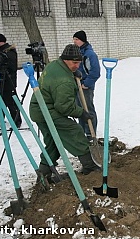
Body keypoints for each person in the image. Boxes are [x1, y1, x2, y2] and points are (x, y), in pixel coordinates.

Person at [29, 44, 100, 180]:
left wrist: (72, 73)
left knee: (53, 141)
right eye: (74, 63)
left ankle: (44, 174)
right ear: (65, 60)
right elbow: (64, 106)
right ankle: (90, 167)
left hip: (38, 109)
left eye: (79, 62)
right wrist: (81, 113)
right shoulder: (64, 82)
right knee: (75, 131)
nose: (77, 66)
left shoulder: (55, 64)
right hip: (48, 111)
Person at [72, 30, 101, 140]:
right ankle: (83, 130)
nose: (74, 41)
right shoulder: (77, 52)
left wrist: (86, 84)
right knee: (79, 109)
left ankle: (90, 133)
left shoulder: (89, 54)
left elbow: (95, 72)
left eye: (77, 39)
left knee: (88, 109)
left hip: (85, 86)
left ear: (82, 40)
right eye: (74, 39)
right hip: (77, 85)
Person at [0, 33, 22, 128]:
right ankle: (1, 120)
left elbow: (12, 67)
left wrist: (1, 67)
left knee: (11, 103)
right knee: (4, 102)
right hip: (2, 81)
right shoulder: (2, 51)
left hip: (8, 81)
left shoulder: (9, 52)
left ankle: (16, 121)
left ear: (0, 42)